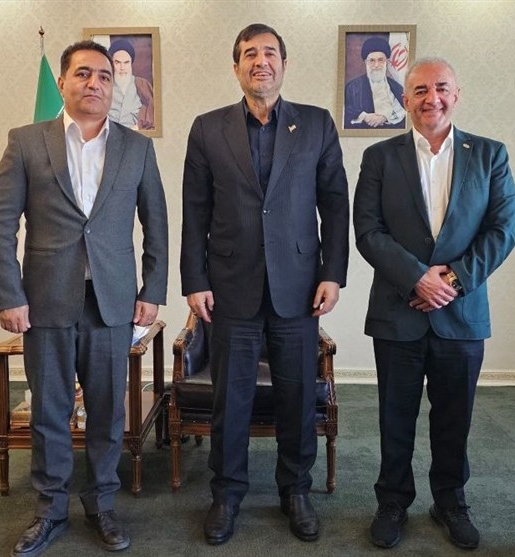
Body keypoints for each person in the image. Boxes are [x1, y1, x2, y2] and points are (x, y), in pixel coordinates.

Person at [0, 40, 168, 557]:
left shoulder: (137, 147)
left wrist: (153, 290)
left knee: (108, 411)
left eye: (105, 76)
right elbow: (0, 222)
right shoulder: (26, 142)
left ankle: (102, 504)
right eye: (84, 73)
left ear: (113, 87)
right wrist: (9, 294)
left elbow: (156, 223)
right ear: (63, 82)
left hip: (112, 301)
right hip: (44, 299)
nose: (95, 83)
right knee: (49, 410)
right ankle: (50, 509)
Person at [180, 23, 349, 546]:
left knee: (298, 396)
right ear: (236, 67)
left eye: (270, 52)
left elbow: (335, 204)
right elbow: (195, 211)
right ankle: (227, 494)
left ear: (284, 64)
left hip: (299, 288)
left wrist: (333, 273)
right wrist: (194, 280)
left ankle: (294, 490)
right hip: (230, 287)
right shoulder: (207, 129)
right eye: (249, 54)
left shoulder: (316, 124)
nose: (261, 61)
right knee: (229, 398)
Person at [353, 57, 515, 550]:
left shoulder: (490, 155)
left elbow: (502, 231)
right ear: (405, 100)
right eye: (421, 90)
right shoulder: (380, 157)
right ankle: (392, 501)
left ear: (457, 94)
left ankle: (450, 501)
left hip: (462, 315)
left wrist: (452, 280)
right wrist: (416, 279)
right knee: (394, 417)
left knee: (454, 419)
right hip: (397, 311)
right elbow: (368, 231)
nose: (432, 99)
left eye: (441, 88)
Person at [344, 37, 406, 130]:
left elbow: (404, 111)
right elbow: (346, 112)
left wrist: (385, 117)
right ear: (366, 62)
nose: (376, 65)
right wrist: (365, 116)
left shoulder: (396, 87)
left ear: (387, 62)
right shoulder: (352, 88)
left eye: (380, 60)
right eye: (372, 60)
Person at [107, 39, 155, 130]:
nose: (122, 68)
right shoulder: (105, 86)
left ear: (131, 63)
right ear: (112, 64)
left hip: (135, 134)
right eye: (117, 62)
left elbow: (153, 110)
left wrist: (139, 126)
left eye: (126, 62)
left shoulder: (142, 84)